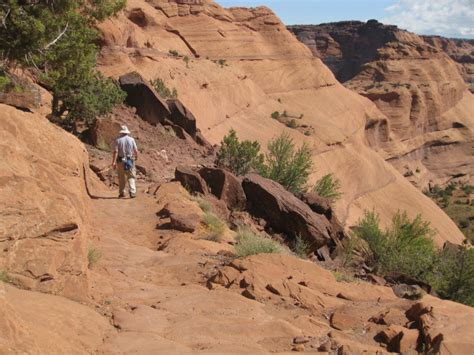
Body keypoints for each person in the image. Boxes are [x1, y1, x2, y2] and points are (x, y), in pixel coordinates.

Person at [112, 125, 138, 198]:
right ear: (127, 132)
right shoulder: (131, 139)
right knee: (131, 176)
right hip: (130, 160)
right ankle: (132, 192)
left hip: (120, 160)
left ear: (121, 132)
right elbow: (135, 150)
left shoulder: (117, 140)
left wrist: (113, 162)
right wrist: (136, 157)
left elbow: (115, 151)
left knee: (121, 177)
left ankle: (122, 192)